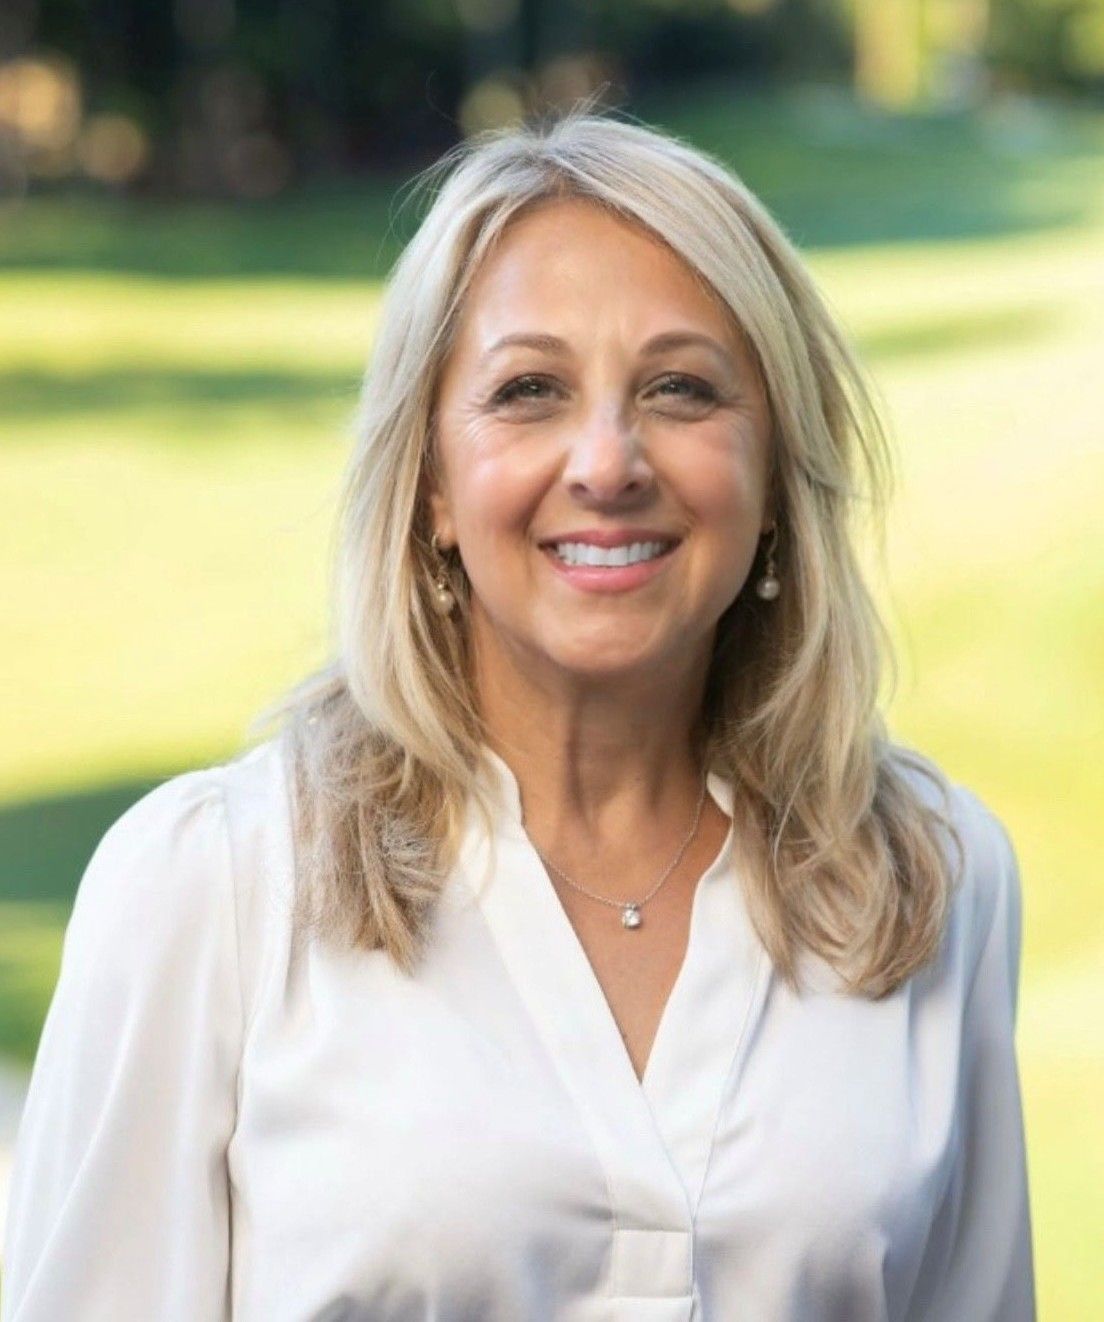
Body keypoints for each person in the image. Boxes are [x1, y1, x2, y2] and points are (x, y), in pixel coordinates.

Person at [1, 106, 1035, 1321]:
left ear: (775, 480)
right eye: (530, 388)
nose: (607, 461)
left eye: (682, 389)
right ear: (432, 481)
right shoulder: (214, 889)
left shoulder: (934, 879)